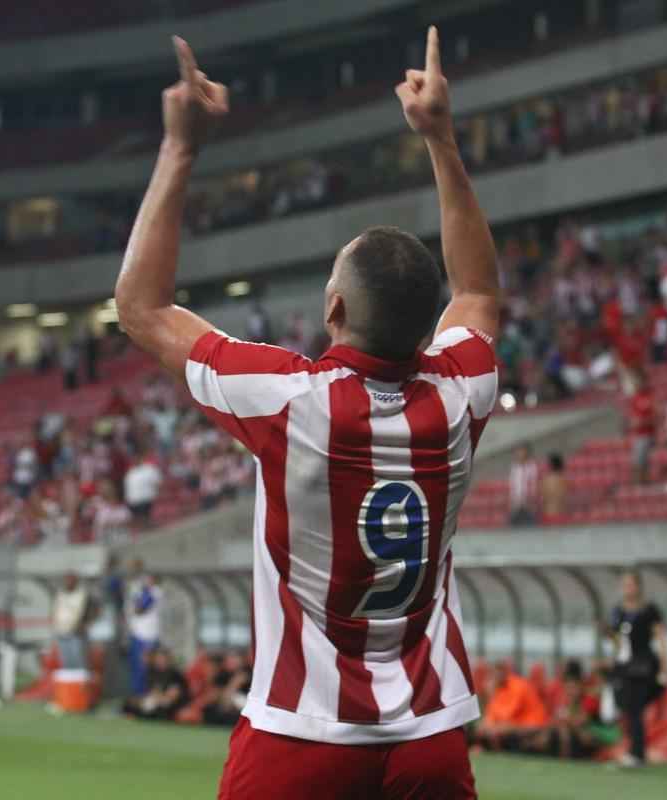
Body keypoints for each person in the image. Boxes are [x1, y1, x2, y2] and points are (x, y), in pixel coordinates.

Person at [115, 29, 496, 799]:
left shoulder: (290, 400)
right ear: (430, 326)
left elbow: (142, 307)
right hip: (430, 738)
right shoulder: (463, 392)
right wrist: (443, 141)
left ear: (332, 308)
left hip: (303, 735)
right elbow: (480, 291)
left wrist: (181, 148)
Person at [604, 571, 667, 767]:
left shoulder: (649, 610)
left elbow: (661, 639)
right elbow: (618, 643)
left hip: (643, 665)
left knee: (635, 707)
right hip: (624, 665)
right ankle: (633, 750)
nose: (627, 589)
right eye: (624, 585)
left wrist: (664, 669)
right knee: (626, 706)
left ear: (638, 587)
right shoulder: (618, 611)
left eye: (631, 584)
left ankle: (637, 753)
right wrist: (608, 636)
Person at [474, 660, 551, 752]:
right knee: (484, 728)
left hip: (533, 724)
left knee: (498, 729)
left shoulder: (517, 685)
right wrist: (486, 723)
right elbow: (492, 715)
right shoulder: (501, 689)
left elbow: (507, 714)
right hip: (519, 723)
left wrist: (491, 694)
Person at [122, 647, 189, 721]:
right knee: (129, 703)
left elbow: (173, 695)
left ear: (168, 659)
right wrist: (147, 700)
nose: (159, 661)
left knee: (158, 709)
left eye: (161, 658)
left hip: (172, 702)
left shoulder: (175, 674)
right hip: (157, 699)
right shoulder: (152, 672)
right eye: (157, 658)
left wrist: (158, 700)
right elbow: (153, 691)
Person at [126, 573, 162, 697]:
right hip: (137, 635)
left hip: (148, 637)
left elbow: (139, 610)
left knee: (145, 668)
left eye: (149, 579)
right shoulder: (141, 592)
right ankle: (137, 695)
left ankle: (145, 695)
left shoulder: (156, 592)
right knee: (135, 667)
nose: (146, 582)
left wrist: (135, 599)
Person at [52, 571, 91, 671]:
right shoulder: (61, 594)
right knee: (66, 662)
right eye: (67, 581)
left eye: (71, 581)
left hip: (76, 633)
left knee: (78, 661)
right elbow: (57, 611)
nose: (68, 583)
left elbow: (87, 612)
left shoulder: (82, 595)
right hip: (62, 632)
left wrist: (84, 624)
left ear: (76, 582)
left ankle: (82, 684)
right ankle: (69, 685)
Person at [626, 369, 657, 483]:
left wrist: (643, 421)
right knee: (637, 461)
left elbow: (656, 415)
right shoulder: (635, 398)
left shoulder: (651, 396)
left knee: (643, 461)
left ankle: (644, 482)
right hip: (638, 434)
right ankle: (638, 484)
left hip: (648, 433)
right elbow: (631, 417)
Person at [123, 448, 163, 525]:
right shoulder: (130, 473)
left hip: (148, 500)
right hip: (134, 503)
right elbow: (128, 490)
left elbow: (158, 483)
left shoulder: (149, 468)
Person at [508, 444, 540, 526]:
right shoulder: (514, 468)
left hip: (530, 503)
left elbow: (534, 484)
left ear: (526, 452)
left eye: (522, 451)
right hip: (517, 503)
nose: (520, 454)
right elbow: (513, 486)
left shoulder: (532, 466)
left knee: (531, 524)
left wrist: (531, 499)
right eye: (518, 452)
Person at [540, 453, 568, 520]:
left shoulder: (544, 481)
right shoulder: (564, 480)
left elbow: (542, 497)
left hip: (548, 513)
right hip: (561, 513)